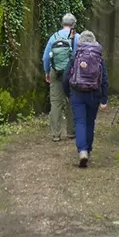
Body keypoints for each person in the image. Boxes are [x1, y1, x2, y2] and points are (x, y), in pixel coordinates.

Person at [63, 30, 108, 168]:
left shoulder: (76, 55)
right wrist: (104, 99)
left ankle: (82, 151)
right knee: (90, 122)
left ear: (80, 41)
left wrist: (68, 93)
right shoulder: (98, 56)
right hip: (93, 93)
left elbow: (66, 76)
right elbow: (104, 79)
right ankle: (88, 149)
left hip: (77, 93)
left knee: (80, 122)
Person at [43, 13, 81, 141]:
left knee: (55, 102)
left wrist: (48, 72)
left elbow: (46, 57)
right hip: (71, 73)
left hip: (56, 72)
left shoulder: (54, 37)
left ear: (62, 23)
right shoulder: (77, 37)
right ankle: (71, 132)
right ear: (74, 24)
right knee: (71, 100)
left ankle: (56, 134)